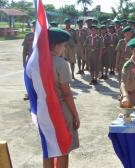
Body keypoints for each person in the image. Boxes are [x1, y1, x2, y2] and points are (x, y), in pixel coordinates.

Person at [45, 28, 80, 168]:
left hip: (44, 110)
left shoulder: (35, 61)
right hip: (60, 111)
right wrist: (75, 115)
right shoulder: (60, 63)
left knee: (48, 149)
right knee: (63, 148)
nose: (64, 48)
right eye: (63, 45)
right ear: (55, 45)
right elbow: (66, 93)